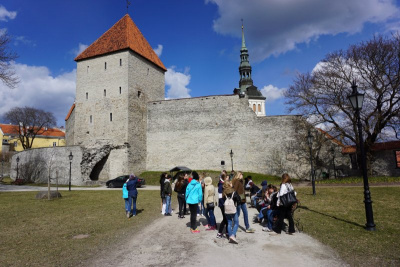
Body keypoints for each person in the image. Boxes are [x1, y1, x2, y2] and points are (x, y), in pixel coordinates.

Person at [216, 173, 229, 238]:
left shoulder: (224, 185)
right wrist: (224, 204)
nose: (228, 179)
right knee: (225, 218)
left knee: (227, 219)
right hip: (222, 205)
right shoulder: (221, 186)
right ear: (224, 178)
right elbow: (220, 197)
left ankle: (227, 231)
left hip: (225, 204)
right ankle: (220, 232)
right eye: (227, 178)